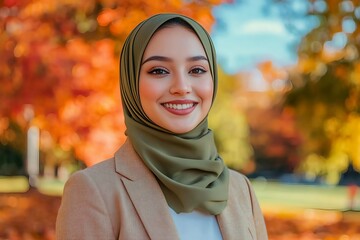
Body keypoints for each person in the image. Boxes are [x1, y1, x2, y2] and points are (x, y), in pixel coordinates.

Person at [56, 13, 268, 240]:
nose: (182, 87)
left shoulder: (240, 188)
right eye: (159, 71)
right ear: (131, 83)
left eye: (197, 70)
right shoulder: (93, 190)